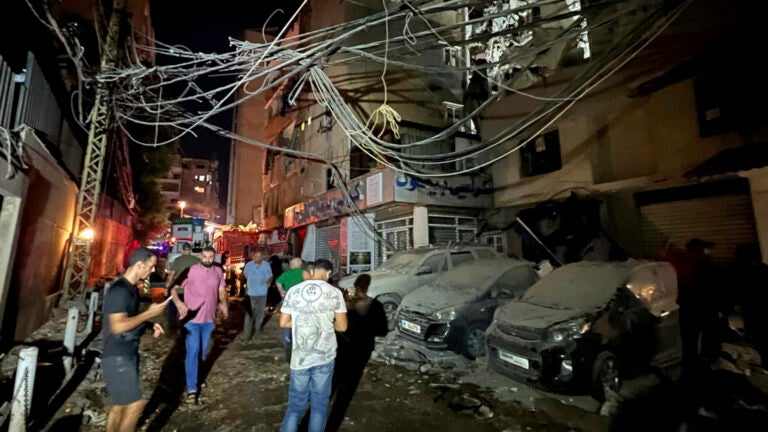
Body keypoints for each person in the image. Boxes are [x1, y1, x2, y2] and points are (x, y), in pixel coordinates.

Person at [102, 247, 168, 432]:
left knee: (120, 406)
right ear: (139, 265)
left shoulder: (132, 289)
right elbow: (117, 326)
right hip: (117, 355)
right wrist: (148, 314)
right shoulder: (119, 290)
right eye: (151, 266)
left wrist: (148, 325)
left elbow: (128, 317)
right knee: (135, 404)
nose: (152, 271)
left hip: (125, 353)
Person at [279, 259, 348, 432]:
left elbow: (284, 322)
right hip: (324, 356)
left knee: (294, 407)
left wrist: (304, 323)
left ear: (312, 271)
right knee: (319, 407)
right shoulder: (335, 293)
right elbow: (342, 327)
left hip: (300, 358)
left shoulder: (294, 291)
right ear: (328, 273)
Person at [325, 274, 388, 432]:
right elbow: (383, 331)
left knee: (325, 395)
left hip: (340, 355)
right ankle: (331, 428)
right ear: (368, 286)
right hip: (358, 357)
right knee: (343, 400)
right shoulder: (375, 306)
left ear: (354, 285)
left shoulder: (346, 304)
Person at [170, 246, 228, 404]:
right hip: (191, 320)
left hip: (208, 320)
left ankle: (197, 376)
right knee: (193, 352)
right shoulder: (190, 271)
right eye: (204, 256)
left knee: (202, 352)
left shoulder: (218, 271)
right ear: (200, 256)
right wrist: (179, 304)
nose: (207, 259)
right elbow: (172, 289)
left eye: (210, 257)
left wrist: (223, 303)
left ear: (214, 257)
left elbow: (221, 290)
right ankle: (192, 389)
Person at [276, 257, 305, 362]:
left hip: (288, 303)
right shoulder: (304, 273)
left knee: (287, 323)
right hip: (302, 304)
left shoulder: (286, 274)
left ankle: (287, 342)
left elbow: (278, 282)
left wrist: (282, 291)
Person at [165, 243, 200, 329]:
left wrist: (167, 287)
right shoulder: (197, 260)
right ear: (190, 249)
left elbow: (171, 275)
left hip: (178, 291)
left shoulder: (178, 260)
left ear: (183, 249)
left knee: (173, 308)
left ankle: (172, 327)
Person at [242, 251, 273, 339]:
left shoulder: (266, 265)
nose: (258, 258)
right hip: (251, 293)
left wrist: (269, 281)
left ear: (262, 257)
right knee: (249, 313)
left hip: (262, 292)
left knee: (260, 312)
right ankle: (247, 333)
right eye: (256, 256)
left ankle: (258, 328)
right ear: (253, 257)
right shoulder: (249, 265)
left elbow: (270, 275)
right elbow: (245, 275)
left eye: (259, 256)